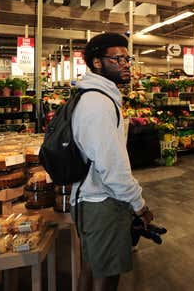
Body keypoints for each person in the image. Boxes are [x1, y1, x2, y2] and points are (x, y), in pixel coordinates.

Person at [72, 33, 154, 291]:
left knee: (92, 265)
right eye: (117, 58)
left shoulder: (97, 96)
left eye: (127, 58)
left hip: (91, 199)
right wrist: (138, 204)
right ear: (97, 62)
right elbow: (111, 165)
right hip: (101, 202)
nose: (126, 63)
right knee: (107, 275)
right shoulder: (97, 103)